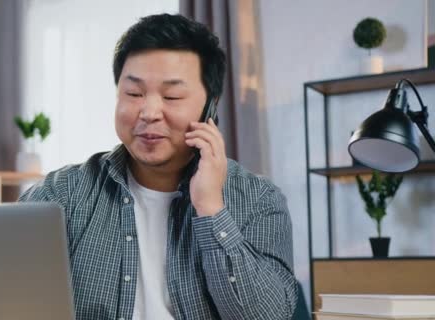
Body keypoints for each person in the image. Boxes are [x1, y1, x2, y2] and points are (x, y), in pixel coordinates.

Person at [19, 13, 297, 320]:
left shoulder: (259, 199)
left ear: (211, 107)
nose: (149, 112)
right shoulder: (62, 195)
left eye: (172, 95)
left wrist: (211, 210)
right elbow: (2, 293)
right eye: (133, 94)